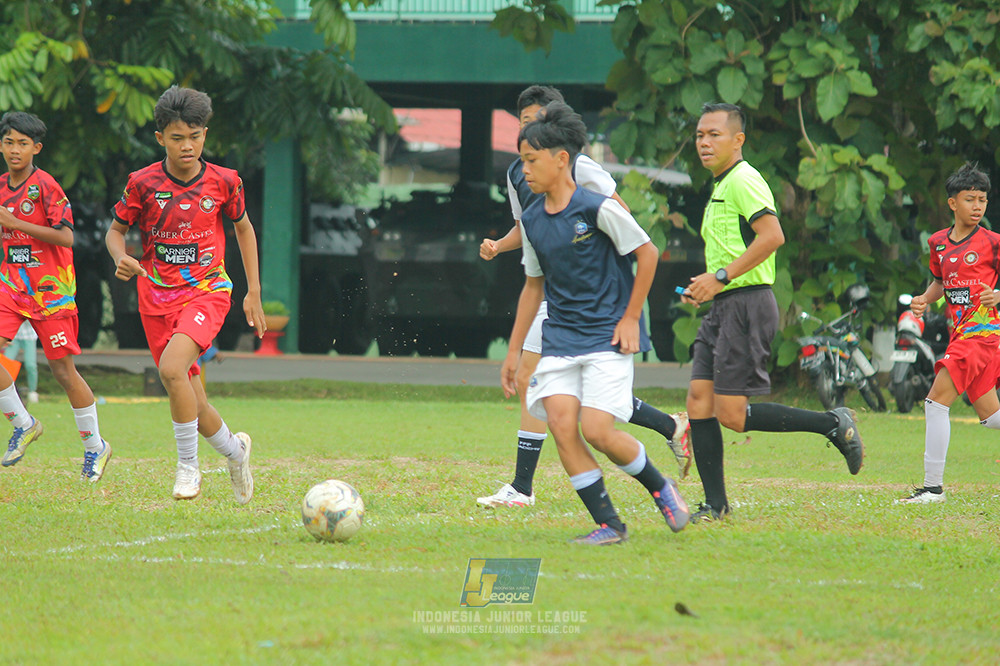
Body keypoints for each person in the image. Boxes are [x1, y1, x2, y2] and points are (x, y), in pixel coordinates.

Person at [477, 85, 691, 509]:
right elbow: (534, 235)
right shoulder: (522, 174)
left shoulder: (582, 174)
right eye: (524, 122)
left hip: (598, 305)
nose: (530, 129)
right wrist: (500, 245)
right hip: (559, 304)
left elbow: (623, 228)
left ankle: (525, 485)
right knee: (556, 401)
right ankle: (534, 488)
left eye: (537, 121)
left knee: (588, 417)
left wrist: (620, 302)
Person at [679, 102, 864, 523]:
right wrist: (708, 283)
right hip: (725, 304)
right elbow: (736, 247)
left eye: (715, 135)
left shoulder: (744, 179)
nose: (705, 143)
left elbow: (772, 236)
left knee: (732, 415)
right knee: (699, 401)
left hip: (746, 304)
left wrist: (721, 276)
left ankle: (832, 424)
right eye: (700, 136)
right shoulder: (721, 185)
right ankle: (715, 505)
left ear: (738, 139)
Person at [106, 86, 264, 503]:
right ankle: (236, 451)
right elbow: (115, 232)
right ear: (161, 139)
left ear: (205, 135)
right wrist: (120, 257)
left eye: (194, 136)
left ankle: (187, 470)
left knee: (173, 370)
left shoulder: (225, 181)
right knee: (192, 400)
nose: (187, 146)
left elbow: (243, 228)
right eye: (177, 138)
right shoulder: (141, 183)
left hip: (208, 291)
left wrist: (253, 290)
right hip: (155, 297)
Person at [0, 111, 111, 481]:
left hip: (52, 292)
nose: (15, 150)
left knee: (63, 372)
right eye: (9, 142)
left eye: (23, 143)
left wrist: (17, 224)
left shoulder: (46, 187)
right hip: (11, 287)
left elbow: (66, 237)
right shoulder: (0, 187)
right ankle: (23, 422)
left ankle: (96, 447)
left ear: (36, 148)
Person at [896, 162, 1000, 504]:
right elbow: (941, 282)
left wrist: (997, 295)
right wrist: (925, 298)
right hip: (961, 336)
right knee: (990, 417)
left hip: (982, 335)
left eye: (982, 200)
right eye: (970, 199)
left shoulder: (993, 243)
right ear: (952, 202)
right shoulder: (938, 243)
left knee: (935, 401)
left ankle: (932, 489)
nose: (978, 206)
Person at [4, 321, 39, 404]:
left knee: (30, 365)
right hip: (14, 336)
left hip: (29, 336)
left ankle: (32, 392)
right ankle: (5, 391)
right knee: (5, 364)